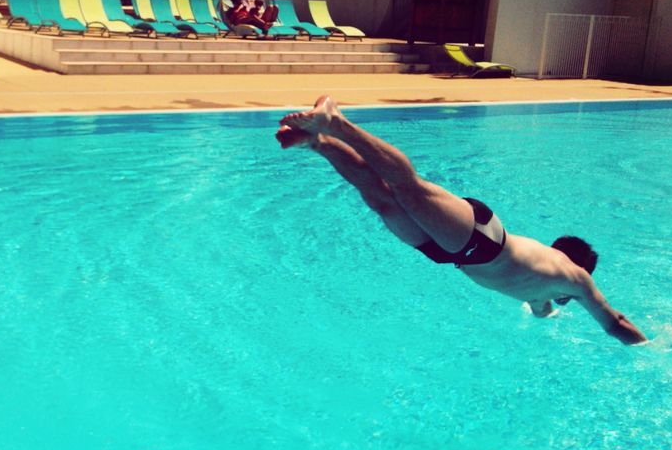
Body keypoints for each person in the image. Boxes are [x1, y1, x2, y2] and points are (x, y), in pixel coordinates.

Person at [277, 96, 648, 345]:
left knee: (382, 202)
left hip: (453, 253)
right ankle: (338, 123)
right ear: (576, 265)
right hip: (482, 239)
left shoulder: (545, 294)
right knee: (406, 188)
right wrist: (650, 347)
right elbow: (615, 324)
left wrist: (548, 316)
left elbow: (542, 311)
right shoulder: (577, 278)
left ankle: (317, 143)